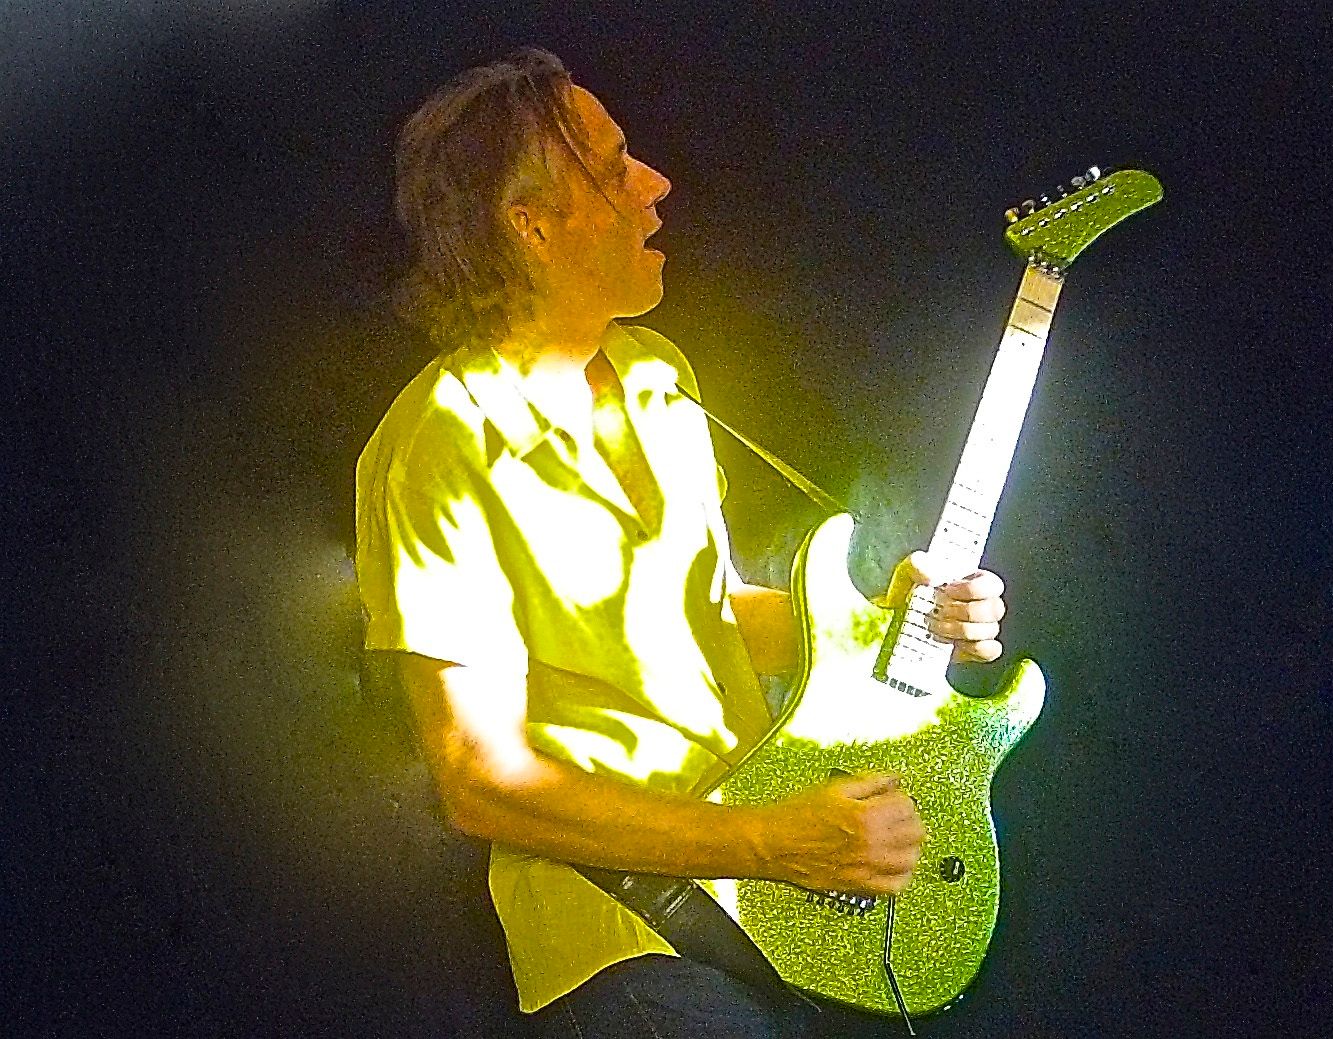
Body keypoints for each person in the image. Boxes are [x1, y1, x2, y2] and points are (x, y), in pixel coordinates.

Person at [355, 47, 1010, 1038]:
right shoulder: (439, 440)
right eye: (613, 167)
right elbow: (478, 779)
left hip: (767, 915)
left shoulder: (657, 373)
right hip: (626, 939)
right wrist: (771, 841)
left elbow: (705, 618)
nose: (656, 184)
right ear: (530, 225)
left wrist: (891, 624)